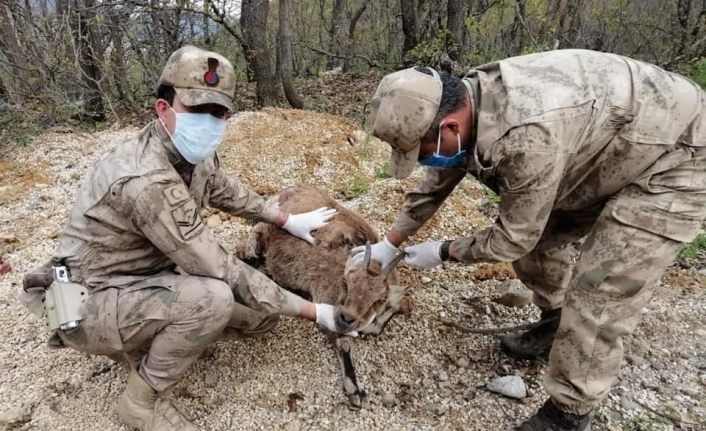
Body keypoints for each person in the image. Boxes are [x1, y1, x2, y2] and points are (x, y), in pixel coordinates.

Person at [355, 49, 706, 430]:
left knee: (601, 286)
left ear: (450, 128)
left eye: (419, 151)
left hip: (678, 154)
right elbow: (438, 179)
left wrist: (442, 251)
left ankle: (568, 413)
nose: (422, 160)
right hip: (606, 144)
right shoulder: (464, 101)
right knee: (541, 244)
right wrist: (390, 243)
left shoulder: (526, 138)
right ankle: (558, 321)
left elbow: (512, 239)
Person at [22, 45, 341, 431]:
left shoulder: (189, 152)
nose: (209, 121)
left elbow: (224, 189)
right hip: (84, 300)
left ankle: (158, 334)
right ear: (163, 109)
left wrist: (285, 218)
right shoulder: (145, 180)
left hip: (142, 273)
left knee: (261, 317)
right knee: (214, 299)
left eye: (218, 112)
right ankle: (142, 400)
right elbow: (217, 266)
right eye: (197, 109)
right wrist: (315, 312)